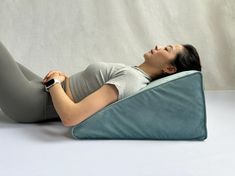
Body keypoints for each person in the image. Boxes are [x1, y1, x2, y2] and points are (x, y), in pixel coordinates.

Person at [0, 41, 201, 127]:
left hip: (32, 102)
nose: (158, 46)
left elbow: (71, 117)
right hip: (39, 90)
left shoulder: (132, 80)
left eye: (166, 48)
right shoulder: (134, 73)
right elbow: (83, 90)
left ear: (169, 69)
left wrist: (55, 83)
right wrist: (63, 79)